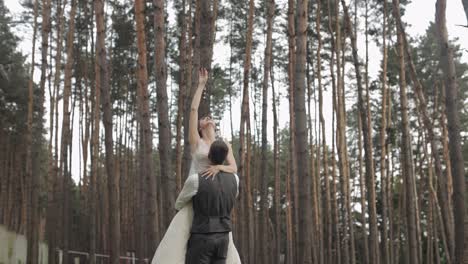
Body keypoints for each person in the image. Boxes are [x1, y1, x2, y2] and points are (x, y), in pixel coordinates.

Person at [151, 69, 241, 264]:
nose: (207, 118)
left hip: (214, 202)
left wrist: (219, 168)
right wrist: (201, 85)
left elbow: (233, 168)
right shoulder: (197, 142)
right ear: (200, 127)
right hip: (196, 196)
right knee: (180, 247)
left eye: (210, 117)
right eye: (204, 118)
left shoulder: (224, 145)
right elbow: (193, 111)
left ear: (214, 124)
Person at [175, 140, 239, 264]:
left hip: (202, 235)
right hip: (224, 237)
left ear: (209, 155)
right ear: (226, 157)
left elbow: (179, 204)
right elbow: (232, 196)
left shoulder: (195, 180)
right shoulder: (235, 180)